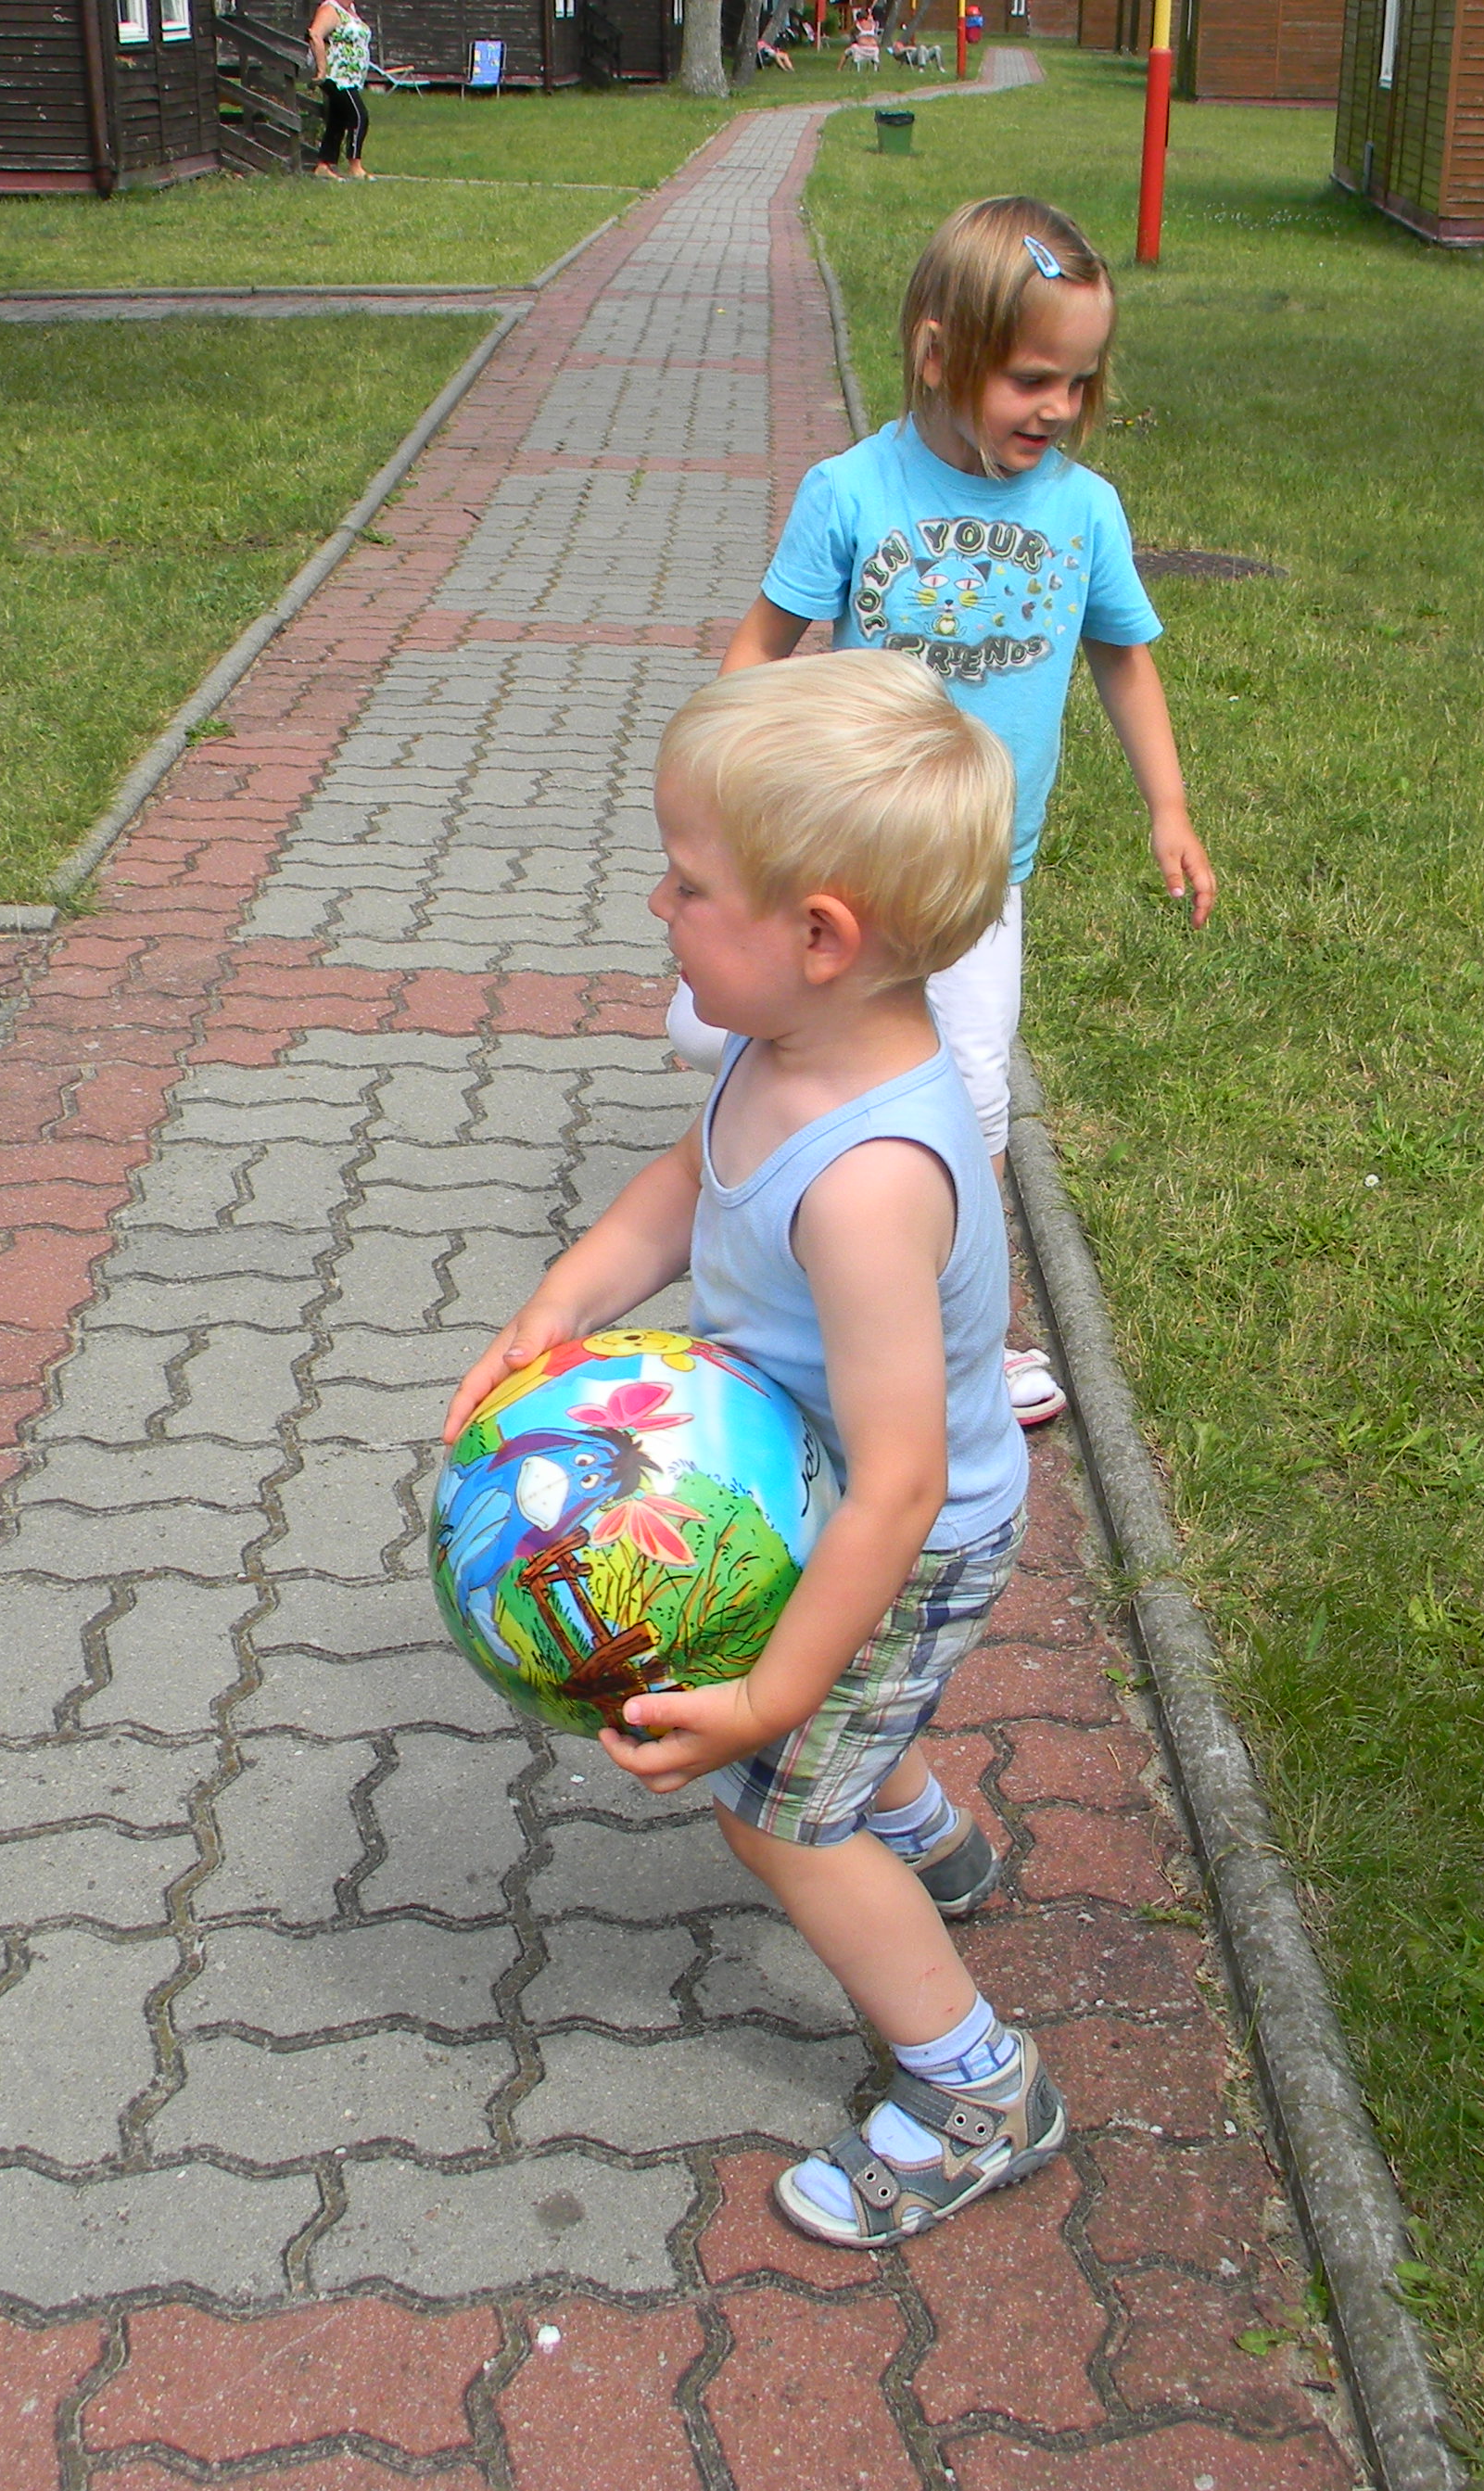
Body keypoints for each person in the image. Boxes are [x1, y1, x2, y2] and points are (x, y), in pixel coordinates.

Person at [443, 655, 1060, 2249]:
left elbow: (902, 1484)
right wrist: (563, 1300)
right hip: (825, 1493)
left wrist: (775, 1697)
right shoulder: (783, 1047)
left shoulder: (870, 1184)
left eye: (688, 881)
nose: (658, 904)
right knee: (848, 1723)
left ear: (820, 935)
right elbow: (683, 1184)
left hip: (898, 1534)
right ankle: (936, 1839)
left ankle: (978, 2091)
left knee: (779, 1810)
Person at [671, 194, 1216, 1430]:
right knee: (750, 1041)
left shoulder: (1085, 510)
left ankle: (969, 1337)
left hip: (978, 877)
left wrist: (1170, 807)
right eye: (1031, 378)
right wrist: (725, 784)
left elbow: (1124, 658)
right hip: (846, 862)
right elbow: (761, 647)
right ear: (936, 354)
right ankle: (778, 1252)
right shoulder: (850, 491)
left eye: (1080, 381)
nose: (1059, 408)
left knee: (969, 1096)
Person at [308, 0, 374, 180]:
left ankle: (324, 165)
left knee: (337, 119)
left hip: (350, 77)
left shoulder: (350, 10)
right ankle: (355, 165)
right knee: (359, 116)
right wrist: (321, 69)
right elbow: (315, 35)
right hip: (336, 75)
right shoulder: (330, 9)